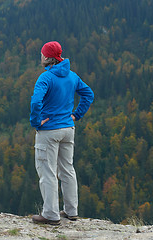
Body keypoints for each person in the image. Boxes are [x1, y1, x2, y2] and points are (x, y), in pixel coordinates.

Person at [30, 41, 94, 225]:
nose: (40, 57)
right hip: (68, 129)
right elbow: (88, 94)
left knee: (48, 172)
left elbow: (35, 102)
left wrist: (36, 122)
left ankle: (50, 215)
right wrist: (76, 115)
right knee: (67, 169)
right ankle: (71, 211)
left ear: (47, 58)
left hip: (49, 131)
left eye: (42, 54)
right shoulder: (72, 76)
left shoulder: (45, 78)